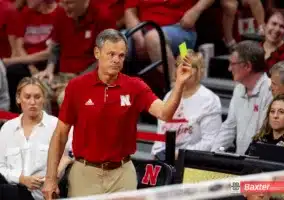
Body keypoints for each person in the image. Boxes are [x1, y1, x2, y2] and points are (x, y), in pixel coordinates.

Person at [42, 29, 194, 199]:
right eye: (111, 54)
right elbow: (60, 134)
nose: (116, 60)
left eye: (121, 56)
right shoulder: (77, 87)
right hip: (84, 172)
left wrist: (179, 84)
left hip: (123, 173)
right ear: (97, 53)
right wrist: (50, 178)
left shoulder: (136, 86)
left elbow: (165, 113)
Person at [0, 77, 72, 200]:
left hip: (46, 194)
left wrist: (54, 175)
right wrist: (21, 179)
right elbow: (1, 166)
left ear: (43, 99)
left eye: (37, 97)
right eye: (27, 97)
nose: (32, 102)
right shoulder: (7, 128)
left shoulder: (56, 125)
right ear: (18, 99)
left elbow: (71, 154)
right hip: (13, 192)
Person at [151, 49, 222, 159]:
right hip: (167, 160)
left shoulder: (209, 100)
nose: (180, 70)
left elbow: (211, 141)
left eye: (186, 66)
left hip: (195, 162)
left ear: (198, 71)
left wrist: (180, 154)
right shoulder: (169, 96)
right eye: (177, 65)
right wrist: (156, 153)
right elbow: (160, 136)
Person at [211, 40, 273, 155]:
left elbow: (263, 134)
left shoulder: (270, 90)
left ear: (247, 66)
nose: (229, 69)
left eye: (232, 64)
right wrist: (213, 154)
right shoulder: (239, 89)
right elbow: (229, 127)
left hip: (260, 163)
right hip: (242, 162)